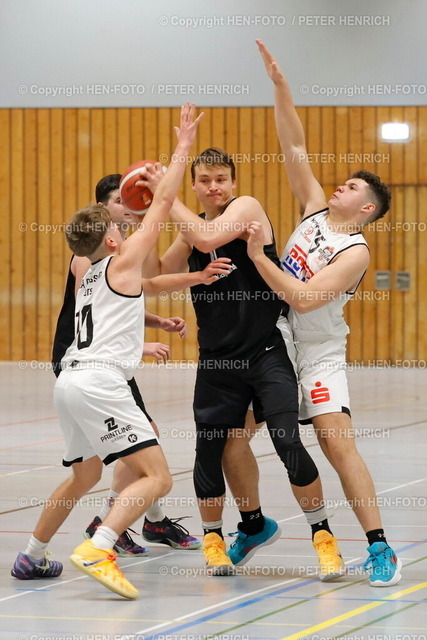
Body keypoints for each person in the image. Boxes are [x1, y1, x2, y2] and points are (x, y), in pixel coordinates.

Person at [10, 103, 228, 599]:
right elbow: (163, 202)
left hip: (70, 381)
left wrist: (195, 277)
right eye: (118, 226)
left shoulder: (92, 271)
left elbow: (146, 286)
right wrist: (181, 149)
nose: (126, 227)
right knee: (158, 477)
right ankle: (101, 546)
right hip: (100, 383)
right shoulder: (121, 259)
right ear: (110, 238)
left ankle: (32, 555)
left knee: (84, 474)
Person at [239, 40, 401, 587]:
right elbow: (294, 144)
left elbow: (305, 298)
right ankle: (253, 524)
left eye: (352, 187)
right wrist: (281, 87)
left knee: (336, 442)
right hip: (276, 343)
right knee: (234, 434)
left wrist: (259, 256)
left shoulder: (355, 251)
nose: (340, 185)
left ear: (366, 208)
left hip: (319, 352)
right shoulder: (312, 210)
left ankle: (379, 546)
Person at [142, 147, 341, 578]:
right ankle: (215, 539)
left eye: (221, 179)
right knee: (210, 448)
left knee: (288, 443)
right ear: (194, 186)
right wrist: (146, 220)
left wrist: (165, 194)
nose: (214, 187)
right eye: (205, 180)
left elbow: (208, 239)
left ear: (232, 182)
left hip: (266, 351)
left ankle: (324, 538)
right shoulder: (190, 229)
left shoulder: (245, 207)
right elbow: (154, 276)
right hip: (217, 360)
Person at [51, 173, 201, 555]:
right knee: (136, 449)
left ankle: (148, 520)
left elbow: (133, 293)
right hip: (87, 359)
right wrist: (140, 345)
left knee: (139, 440)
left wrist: (158, 320)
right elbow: (100, 311)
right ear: (102, 210)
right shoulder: (87, 258)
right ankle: (110, 524)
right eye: (122, 200)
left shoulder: (114, 257)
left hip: (101, 360)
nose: (130, 205)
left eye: (133, 198)